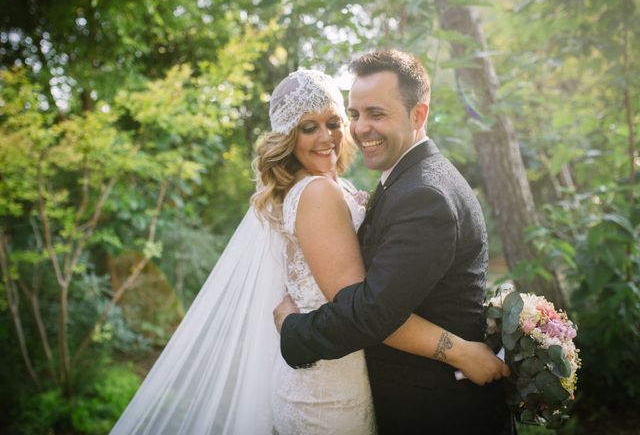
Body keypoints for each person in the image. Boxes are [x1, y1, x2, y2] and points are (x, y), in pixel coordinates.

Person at [111, 68, 506, 435]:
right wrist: (459, 352)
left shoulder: (330, 184)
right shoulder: (317, 192)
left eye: (334, 122)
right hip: (330, 387)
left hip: (340, 371)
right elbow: (364, 309)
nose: (327, 137)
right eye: (308, 128)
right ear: (287, 137)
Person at [274, 51, 512, 434]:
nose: (360, 128)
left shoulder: (424, 194)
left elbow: (371, 311)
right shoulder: (405, 180)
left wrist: (293, 330)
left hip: (433, 410)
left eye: (376, 114)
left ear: (418, 115)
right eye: (354, 114)